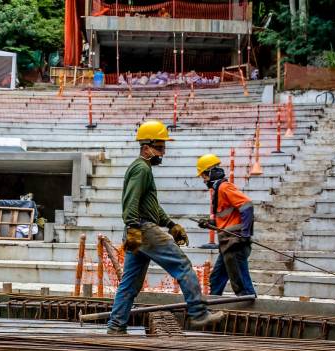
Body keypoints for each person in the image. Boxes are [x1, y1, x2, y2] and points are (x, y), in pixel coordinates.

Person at [107, 120, 226, 335]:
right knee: (182, 265)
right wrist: (134, 226)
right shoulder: (141, 169)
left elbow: (151, 206)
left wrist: (170, 225)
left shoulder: (142, 169)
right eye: (159, 148)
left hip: (138, 228)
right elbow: (131, 201)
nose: (162, 153)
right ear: (146, 147)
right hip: (141, 228)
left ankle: (116, 326)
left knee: (130, 282)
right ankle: (199, 313)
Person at [196, 154, 256, 297]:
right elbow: (226, 219)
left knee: (241, 283)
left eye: (203, 176)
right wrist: (209, 224)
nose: (203, 180)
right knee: (216, 279)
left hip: (235, 243)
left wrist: (245, 233)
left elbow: (247, 205)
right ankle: (212, 306)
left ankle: (249, 309)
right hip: (227, 244)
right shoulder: (218, 190)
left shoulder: (224, 187)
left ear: (210, 173)